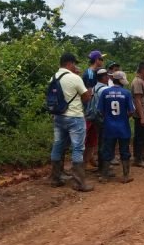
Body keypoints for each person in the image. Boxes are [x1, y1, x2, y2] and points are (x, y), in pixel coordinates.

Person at [49, 52, 94, 192]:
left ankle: (55, 178)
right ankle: (80, 183)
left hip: (58, 117)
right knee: (78, 148)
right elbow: (86, 97)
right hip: (75, 117)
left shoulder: (53, 77)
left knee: (57, 146)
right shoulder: (75, 78)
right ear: (69, 63)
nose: (75, 66)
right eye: (74, 63)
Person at [98, 72, 136, 183]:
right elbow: (132, 111)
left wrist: (108, 117)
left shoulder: (105, 92)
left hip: (109, 127)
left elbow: (100, 110)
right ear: (120, 81)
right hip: (123, 127)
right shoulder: (126, 93)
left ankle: (104, 176)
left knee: (107, 151)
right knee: (124, 151)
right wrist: (124, 117)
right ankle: (125, 176)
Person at [82, 50, 105, 169]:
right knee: (87, 137)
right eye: (101, 59)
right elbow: (89, 92)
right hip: (89, 110)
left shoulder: (91, 72)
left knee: (92, 138)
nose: (102, 61)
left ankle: (87, 160)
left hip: (89, 109)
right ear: (96, 60)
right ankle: (82, 163)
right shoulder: (90, 73)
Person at [130, 62, 144, 169]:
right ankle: (137, 159)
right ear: (143, 70)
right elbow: (137, 100)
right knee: (140, 137)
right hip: (140, 115)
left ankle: (143, 156)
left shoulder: (143, 81)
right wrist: (142, 117)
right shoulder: (137, 82)